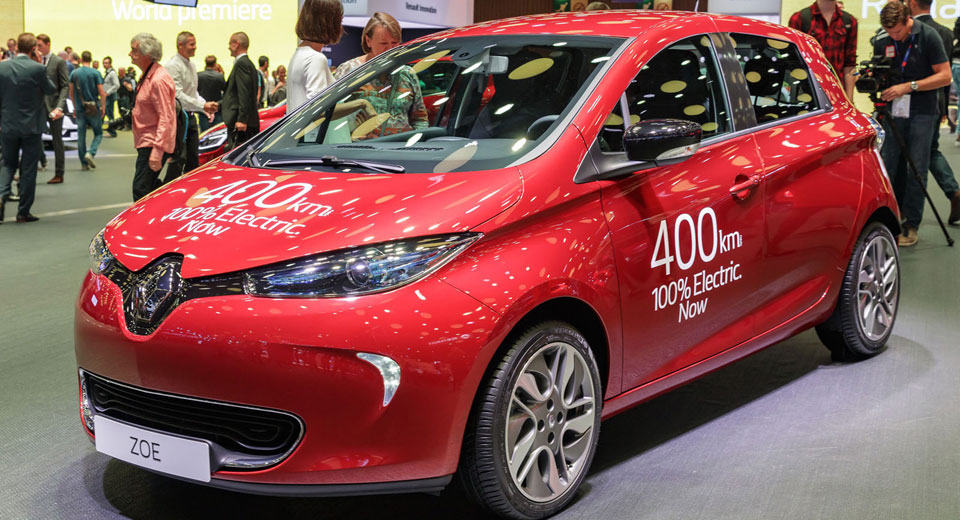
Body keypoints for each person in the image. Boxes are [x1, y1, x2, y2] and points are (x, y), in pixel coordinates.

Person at [874, 1, 952, 246]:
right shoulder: (882, 39)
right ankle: (890, 219)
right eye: (889, 32)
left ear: (908, 20)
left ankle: (911, 224)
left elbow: (945, 76)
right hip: (893, 110)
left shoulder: (928, 36)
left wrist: (910, 86)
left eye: (897, 31)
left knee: (917, 168)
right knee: (888, 165)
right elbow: (879, 71)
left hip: (923, 111)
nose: (894, 36)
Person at [335, 12, 428, 138]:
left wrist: (417, 141)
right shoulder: (350, 70)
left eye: (394, 43)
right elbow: (332, 113)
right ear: (368, 41)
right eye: (383, 43)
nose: (390, 49)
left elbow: (420, 119)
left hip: (402, 147)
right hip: (361, 148)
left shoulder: (407, 73)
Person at [909, 0, 960, 224]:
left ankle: (908, 213)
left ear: (912, 4)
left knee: (918, 154)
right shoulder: (946, 33)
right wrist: (943, 106)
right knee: (931, 150)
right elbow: (945, 77)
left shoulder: (915, 33)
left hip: (915, 103)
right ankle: (953, 192)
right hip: (936, 100)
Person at [0, 33, 56, 223]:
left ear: (16, 47)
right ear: (34, 49)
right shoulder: (38, 68)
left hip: (8, 124)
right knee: (29, 168)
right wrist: (40, 64)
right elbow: (50, 89)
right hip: (32, 126)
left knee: (7, 163)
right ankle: (23, 212)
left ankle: (1, 196)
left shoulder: (2, 67)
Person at [164, 31, 218, 183]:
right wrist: (202, 105)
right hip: (178, 119)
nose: (195, 47)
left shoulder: (192, 65)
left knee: (193, 159)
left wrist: (205, 107)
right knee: (178, 158)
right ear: (180, 45)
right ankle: (168, 188)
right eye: (191, 44)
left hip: (191, 117)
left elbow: (193, 94)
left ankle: (189, 187)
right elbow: (177, 95)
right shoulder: (172, 65)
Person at [128, 33, 176, 201]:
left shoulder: (158, 79)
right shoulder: (149, 75)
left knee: (141, 190)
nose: (130, 54)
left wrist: (157, 151)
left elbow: (166, 117)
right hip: (147, 141)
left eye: (134, 50)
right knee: (149, 187)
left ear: (146, 54)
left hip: (152, 143)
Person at [788, 0, 858, 101]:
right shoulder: (799, 19)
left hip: (837, 93)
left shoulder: (849, 21)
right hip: (806, 91)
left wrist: (849, 100)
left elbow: (850, 64)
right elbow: (793, 62)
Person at [287, 0, 342, 110]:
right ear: (329, 23)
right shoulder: (316, 59)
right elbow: (317, 109)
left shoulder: (299, 54)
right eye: (339, 20)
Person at [36, 34, 69, 184]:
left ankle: (59, 174)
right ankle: (40, 163)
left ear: (48, 44)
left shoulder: (58, 61)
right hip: (37, 107)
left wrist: (59, 107)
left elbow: (65, 86)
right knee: (33, 138)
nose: (38, 48)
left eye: (40, 45)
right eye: (36, 46)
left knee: (57, 141)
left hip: (54, 107)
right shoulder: (35, 61)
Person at [222, 32, 260, 150]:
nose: (228, 47)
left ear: (236, 44)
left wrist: (242, 120)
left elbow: (244, 93)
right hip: (248, 122)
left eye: (230, 43)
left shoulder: (241, 63)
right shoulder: (248, 63)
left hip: (243, 124)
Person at [69, 51, 106, 170]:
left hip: (80, 108)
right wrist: (103, 107)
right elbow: (102, 92)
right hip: (93, 107)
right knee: (98, 133)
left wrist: (74, 107)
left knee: (81, 136)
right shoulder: (95, 73)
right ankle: (90, 153)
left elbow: (71, 92)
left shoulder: (74, 73)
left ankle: (83, 164)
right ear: (91, 59)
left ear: (81, 59)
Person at [197, 55, 225, 131]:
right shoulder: (220, 76)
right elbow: (226, 93)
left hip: (203, 108)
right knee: (217, 132)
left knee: (204, 132)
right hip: (216, 108)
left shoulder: (198, 75)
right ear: (215, 64)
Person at [102, 56, 120, 126]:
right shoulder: (107, 72)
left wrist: (107, 92)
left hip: (110, 96)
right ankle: (110, 128)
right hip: (106, 96)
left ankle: (112, 129)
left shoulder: (112, 73)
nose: (104, 64)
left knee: (109, 112)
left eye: (106, 63)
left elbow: (117, 85)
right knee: (107, 111)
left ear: (110, 64)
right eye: (103, 63)